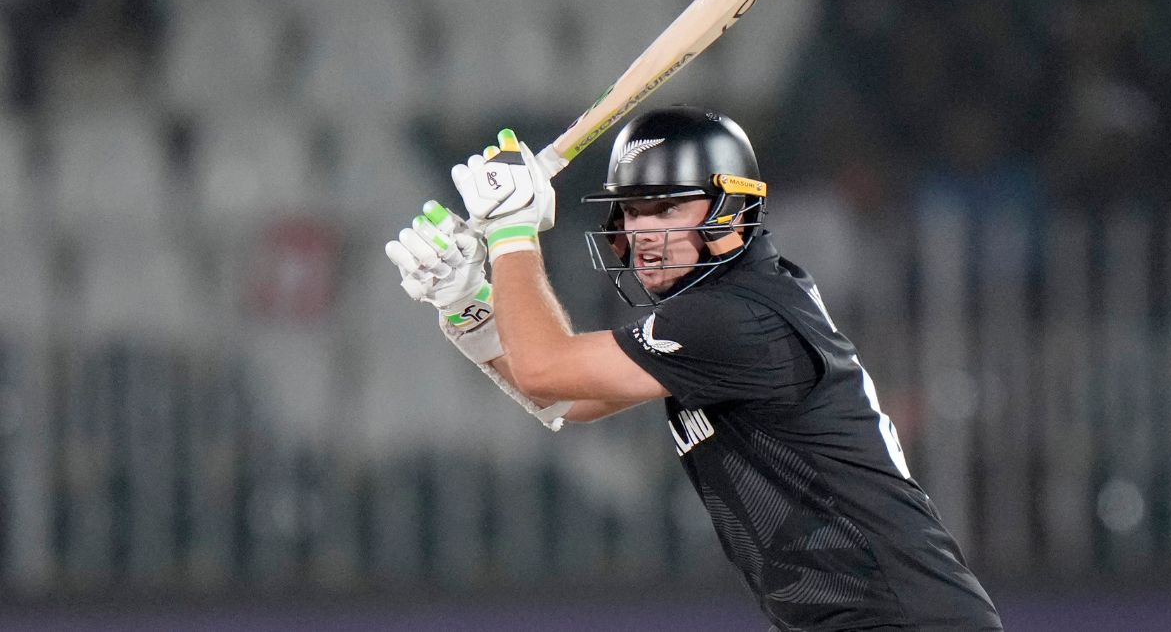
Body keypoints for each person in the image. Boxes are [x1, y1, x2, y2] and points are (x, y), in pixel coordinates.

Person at [386, 106, 1003, 631]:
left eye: (666, 209)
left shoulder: (731, 317)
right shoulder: (727, 307)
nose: (642, 233)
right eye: (631, 211)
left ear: (732, 209)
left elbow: (546, 372)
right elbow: (569, 398)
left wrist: (511, 230)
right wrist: (467, 303)